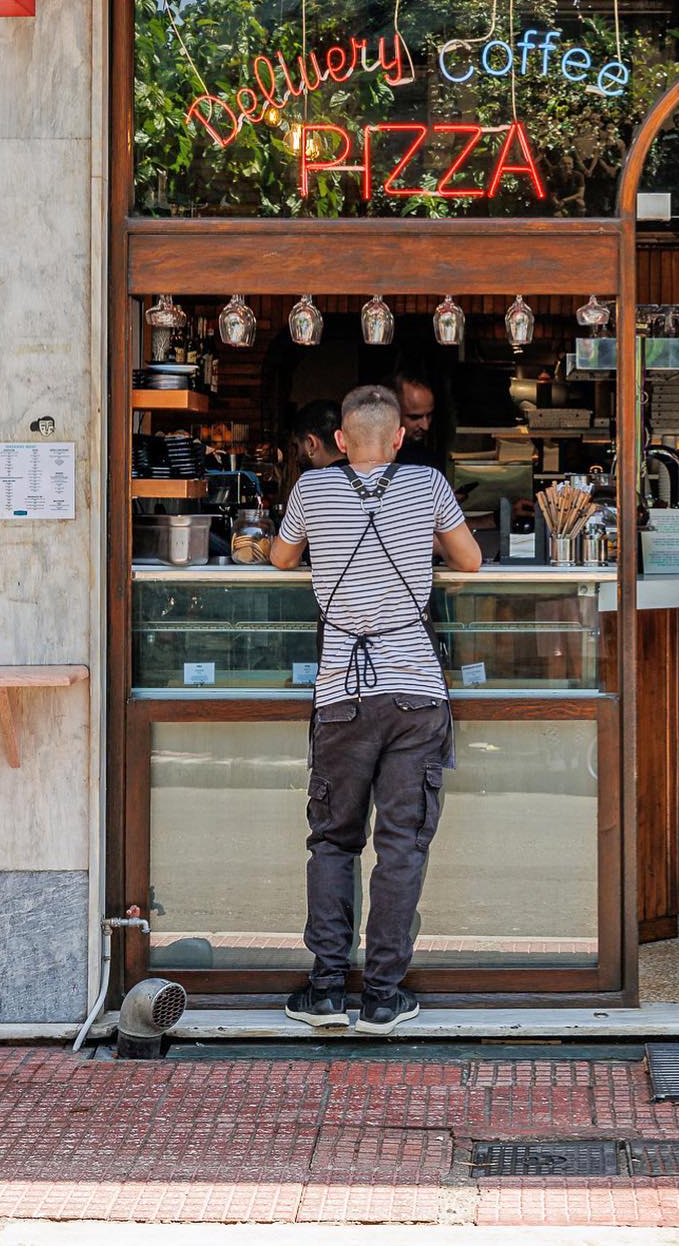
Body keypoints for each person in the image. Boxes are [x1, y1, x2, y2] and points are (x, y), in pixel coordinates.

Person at [271, 383, 482, 1033]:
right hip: (416, 693)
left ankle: (326, 990)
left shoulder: (311, 488)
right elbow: (470, 560)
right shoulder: (427, 483)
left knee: (333, 841)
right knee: (400, 848)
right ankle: (383, 997)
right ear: (399, 438)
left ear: (339, 440)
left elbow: (281, 558)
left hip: (342, 696)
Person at [391, 371, 440, 470]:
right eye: (415, 417)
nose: (425, 426)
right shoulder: (368, 458)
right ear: (392, 413)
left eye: (429, 416)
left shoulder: (427, 461)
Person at [292, 399, 345, 473]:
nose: (296, 458)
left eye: (297, 447)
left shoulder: (307, 479)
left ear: (311, 444)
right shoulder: (361, 474)